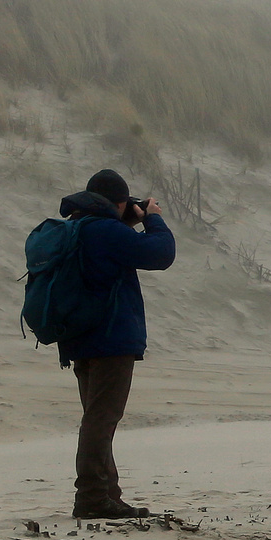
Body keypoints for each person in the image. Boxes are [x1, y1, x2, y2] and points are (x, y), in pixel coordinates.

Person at [55, 169, 176, 520]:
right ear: (118, 202)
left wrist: (126, 223)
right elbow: (160, 254)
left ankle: (108, 495)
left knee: (98, 417)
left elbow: (109, 256)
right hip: (110, 339)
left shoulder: (78, 228)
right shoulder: (105, 230)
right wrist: (153, 219)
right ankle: (92, 497)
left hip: (79, 337)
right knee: (101, 419)